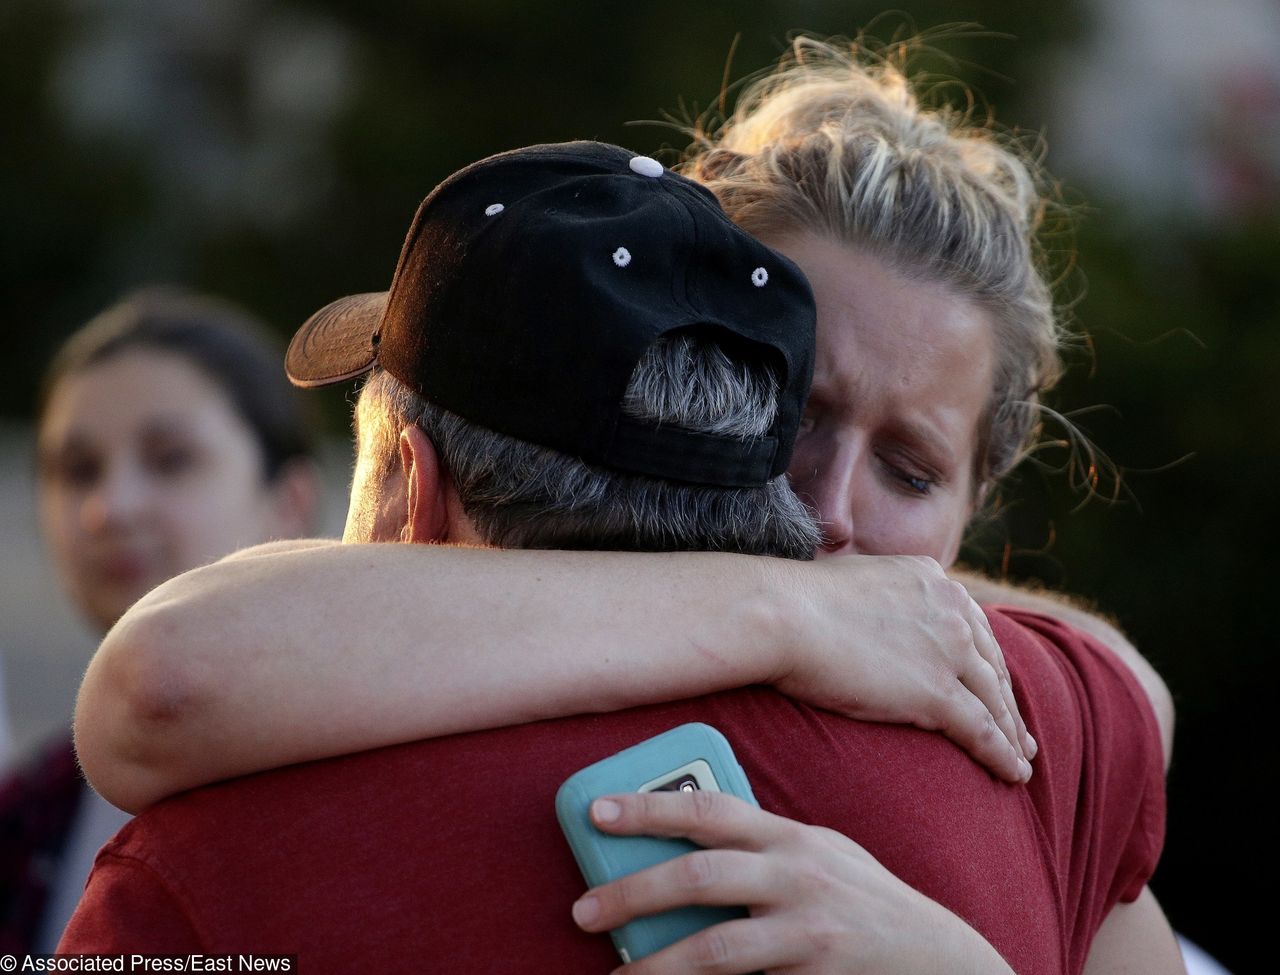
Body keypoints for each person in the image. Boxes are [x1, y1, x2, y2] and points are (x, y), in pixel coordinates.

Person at [63, 140, 1173, 974]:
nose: (831, 519)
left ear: (411, 475)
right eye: (800, 417)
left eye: (911, 469)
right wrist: (781, 615)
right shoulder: (1051, 724)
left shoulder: (212, 875)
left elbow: (158, 685)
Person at [0, 288, 320, 951]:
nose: (107, 509)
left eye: (170, 458)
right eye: (77, 469)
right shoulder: (26, 816)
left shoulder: (386, 786)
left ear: (289, 502)